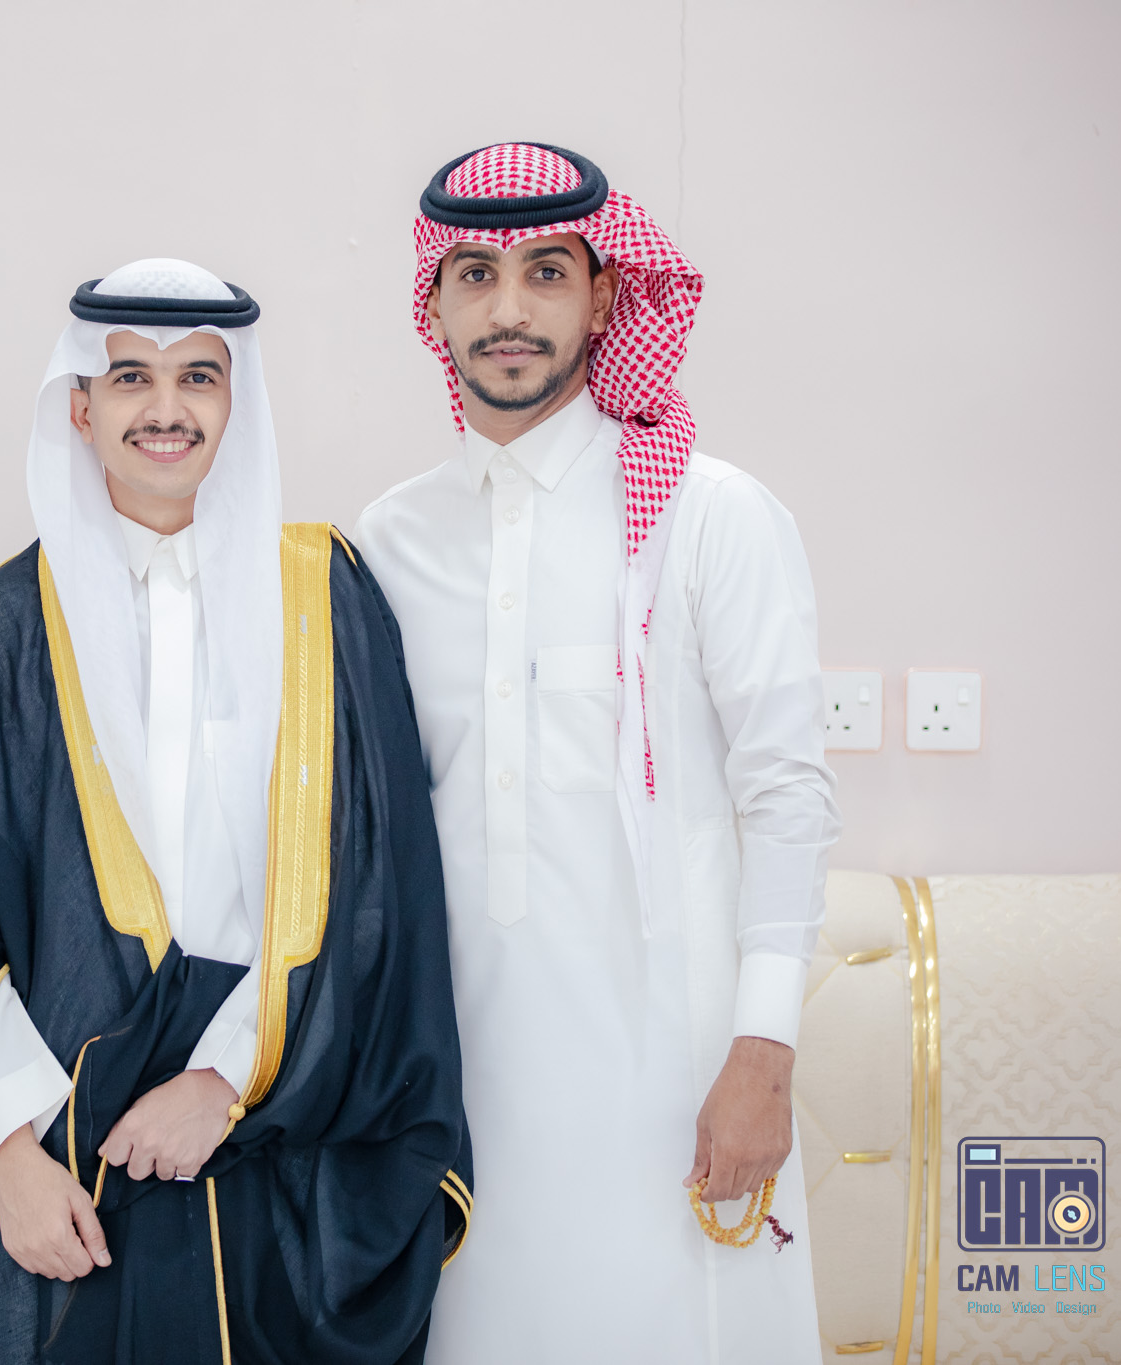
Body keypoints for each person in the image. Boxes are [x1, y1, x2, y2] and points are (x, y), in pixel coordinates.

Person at [0, 259, 470, 1365]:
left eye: (198, 378)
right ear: (80, 408)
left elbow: (379, 883)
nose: (166, 409)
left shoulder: (325, 597)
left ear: (234, 400)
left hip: (279, 1124)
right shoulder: (9, 623)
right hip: (63, 1149)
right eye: (130, 379)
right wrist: (12, 1156)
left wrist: (223, 1076)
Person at [355, 142, 841, 1362]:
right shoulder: (391, 537)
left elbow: (785, 794)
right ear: (432, 305)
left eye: (545, 272)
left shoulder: (707, 513)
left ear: (605, 295)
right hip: (462, 1071)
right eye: (474, 275)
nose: (507, 310)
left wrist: (762, 1051)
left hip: (673, 1064)